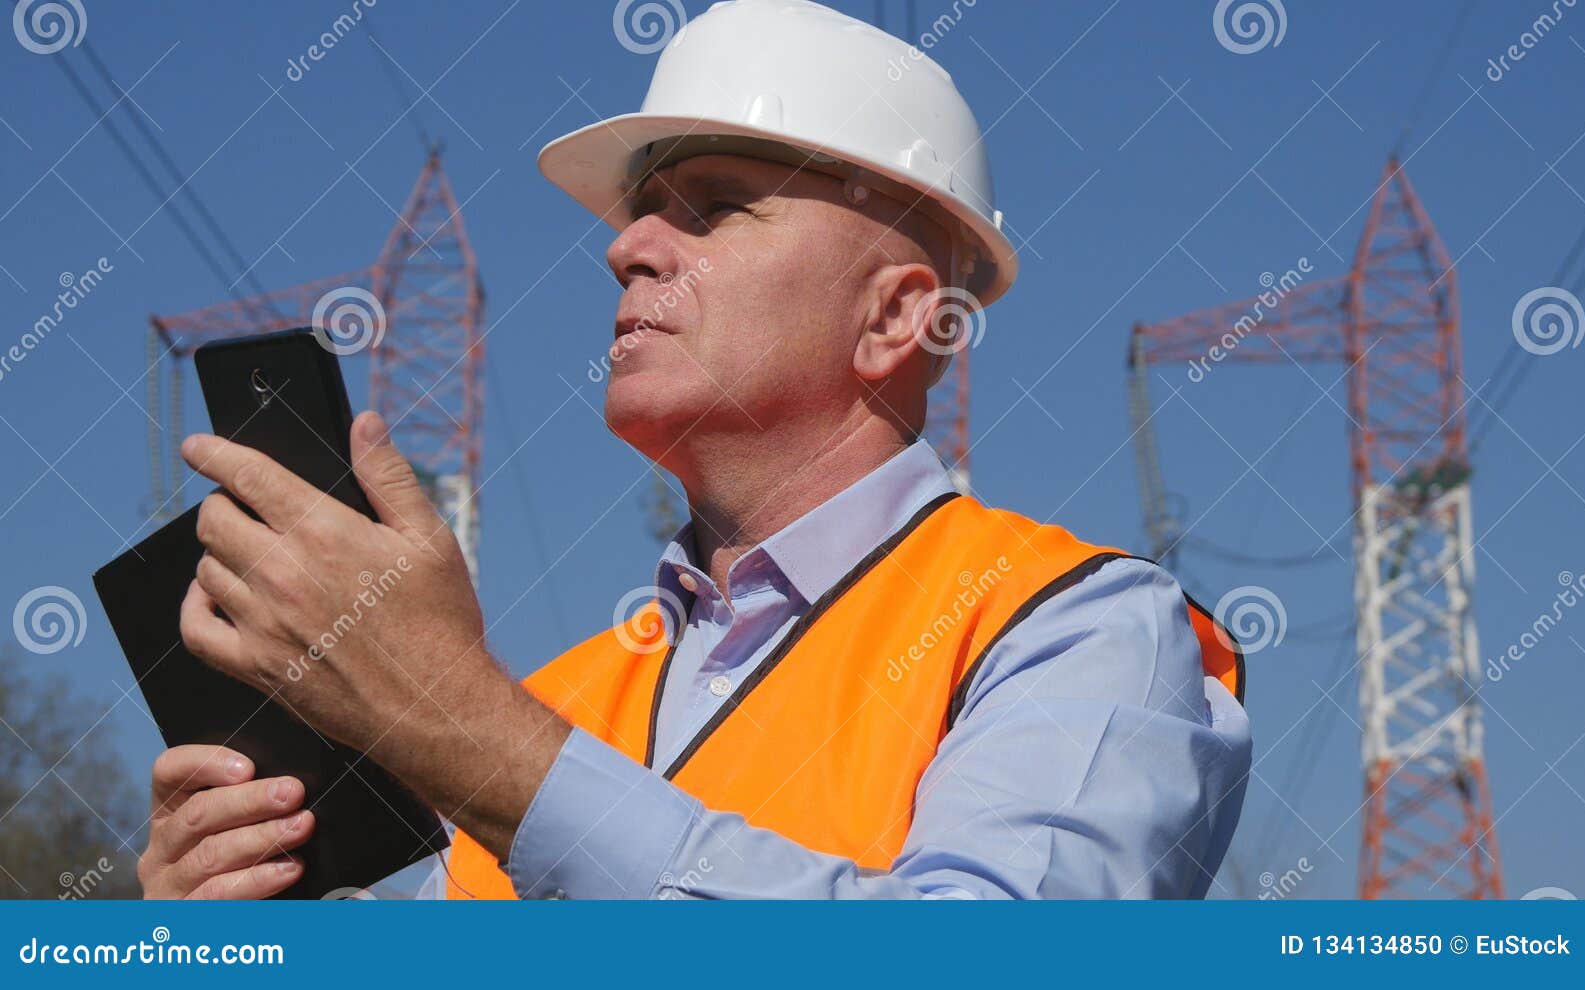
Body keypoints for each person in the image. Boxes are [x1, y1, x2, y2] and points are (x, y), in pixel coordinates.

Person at [137, 0, 1249, 901]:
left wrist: (461, 728)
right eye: (639, 214)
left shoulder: (1077, 627)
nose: (626, 247)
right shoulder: (551, 708)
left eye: (712, 208)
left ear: (896, 318)